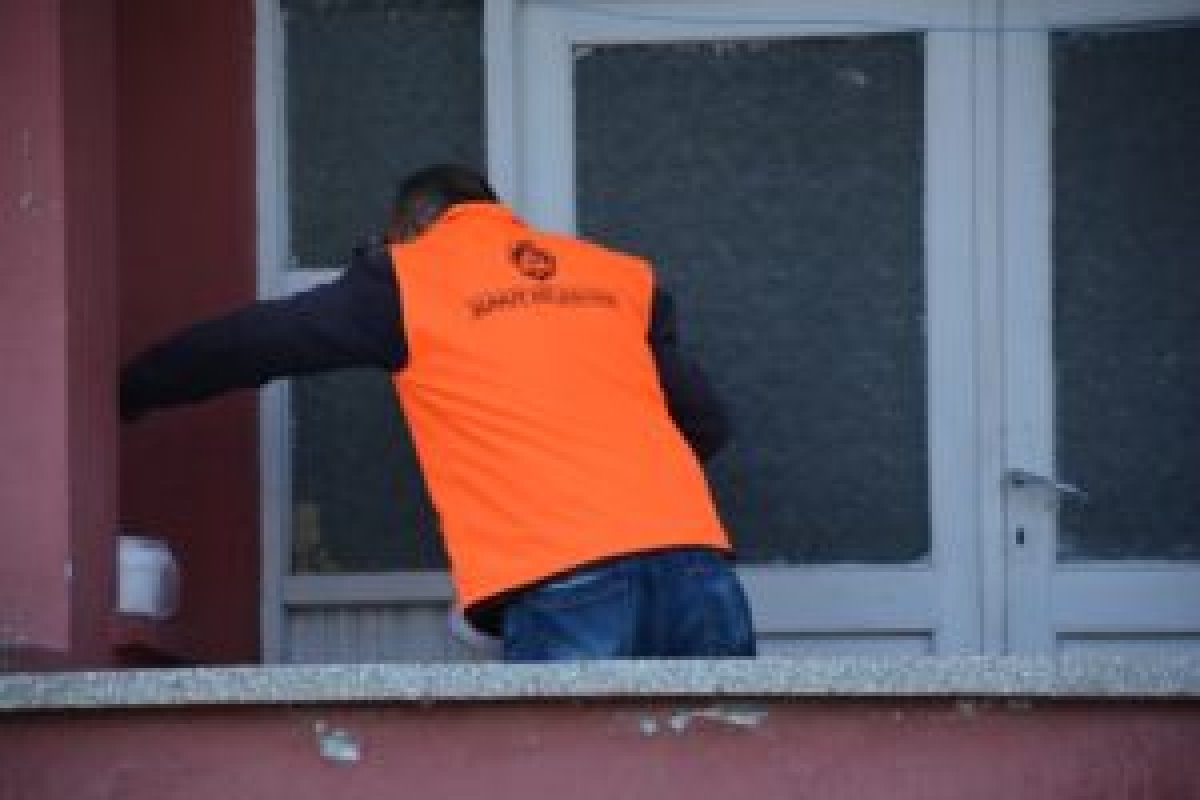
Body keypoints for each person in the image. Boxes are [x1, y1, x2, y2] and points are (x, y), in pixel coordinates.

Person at [121, 164, 756, 662]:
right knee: (719, 766)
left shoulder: (406, 278)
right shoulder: (617, 276)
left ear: (411, 226)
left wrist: (133, 386)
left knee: (574, 770)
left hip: (564, 579)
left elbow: (256, 341)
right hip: (696, 568)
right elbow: (705, 423)